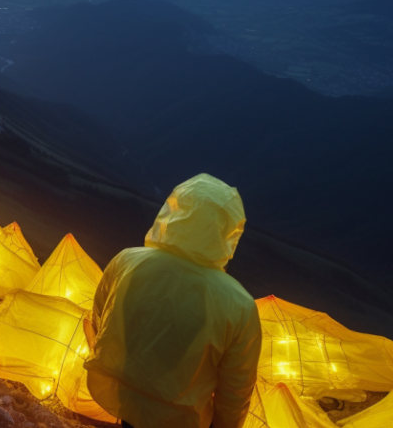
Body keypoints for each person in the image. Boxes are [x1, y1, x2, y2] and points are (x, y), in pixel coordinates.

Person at [85, 174, 261, 428]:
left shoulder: (127, 261)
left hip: (123, 397)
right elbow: (237, 387)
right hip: (183, 419)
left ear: (175, 208)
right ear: (228, 229)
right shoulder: (239, 304)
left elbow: (101, 321)